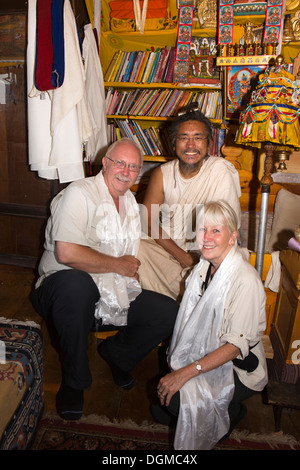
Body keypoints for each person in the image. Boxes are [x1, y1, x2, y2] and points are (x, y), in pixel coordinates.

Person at [31, 137, 178, 421]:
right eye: (120, 162)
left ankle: (118, 355)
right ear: (105, 163)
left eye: (133, 166)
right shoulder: (79, 193)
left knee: (168, 313)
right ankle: (74, 382)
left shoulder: (130, 204)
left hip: (110, 291)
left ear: (138, 174)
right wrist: (119, 265)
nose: (125, 170)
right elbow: (67, 252)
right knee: (76, 285)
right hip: (61, 291)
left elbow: (132, 254)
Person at [152, 200, 268, 450]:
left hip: (239, 369)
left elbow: (236, 347)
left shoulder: (245, 281)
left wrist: (184, 373)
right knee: (162, 403)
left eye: (216, 230)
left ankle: (232, 411)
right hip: (206, 352)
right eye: (202, 229)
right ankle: (216, 405)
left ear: (232, 237)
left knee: (174, 400)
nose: (206, 237)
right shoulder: (203, 268)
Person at [138, 108, 241, 302]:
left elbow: (224, 228)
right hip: (171, 250)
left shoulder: (219, 171)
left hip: (208, 253)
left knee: (221, 266)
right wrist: (182, 256)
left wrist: (197, 258)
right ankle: (177, 303)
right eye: (183, 138)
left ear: (209, 143)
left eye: (198, 138)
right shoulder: (162, 174)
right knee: (135, 246)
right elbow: (147, 221)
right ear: (174, 143)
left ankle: (188, 301)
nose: (191, 145)